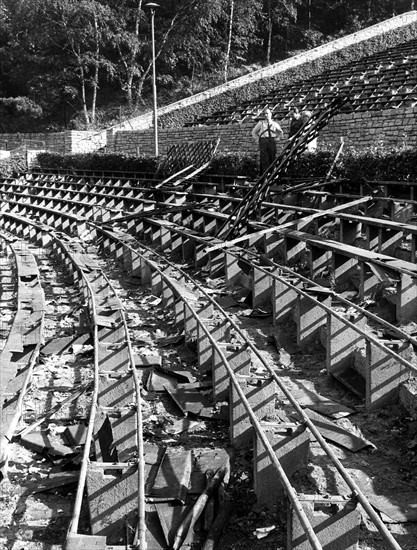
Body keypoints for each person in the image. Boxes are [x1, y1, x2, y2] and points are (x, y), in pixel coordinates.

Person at [252, 108, 284, 175]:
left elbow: (281, 133)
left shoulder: (275, 124)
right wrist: (258, 139)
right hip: (263, 141)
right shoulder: (261, 124)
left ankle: (272, 175)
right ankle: (265, 175)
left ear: (271, 114)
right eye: (265, 114)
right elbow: (254, 132)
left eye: (267, 113)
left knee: (272, 158)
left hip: (272, 141)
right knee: (264, 159)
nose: (266, 115)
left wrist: (277, 139)